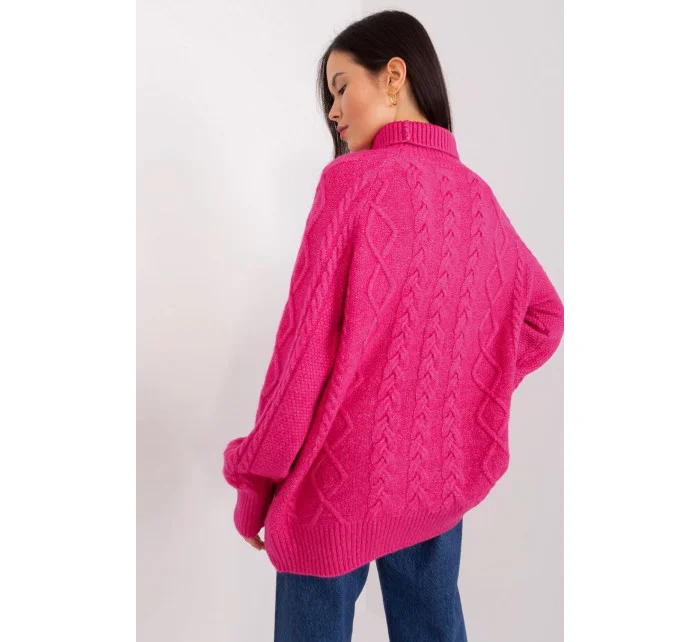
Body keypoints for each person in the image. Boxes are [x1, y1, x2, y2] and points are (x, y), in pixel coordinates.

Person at [223, 9, 564, 641]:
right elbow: (544, 318)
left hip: (334, 486)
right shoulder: (478, 197)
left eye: (340, 87)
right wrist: (462, 389)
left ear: (394, 76)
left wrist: (255, 483)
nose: (332, 110)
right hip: (437, 482)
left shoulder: (350, 184)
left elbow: (302, 359)